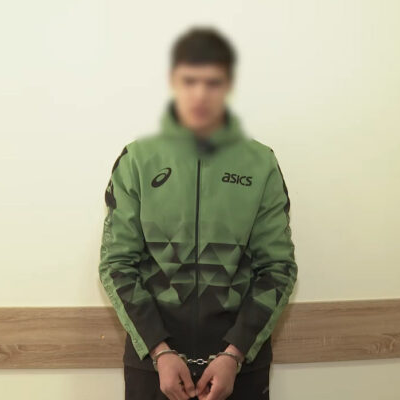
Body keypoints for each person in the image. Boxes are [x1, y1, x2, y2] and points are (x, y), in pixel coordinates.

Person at [98, 26, 298, 400]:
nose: (201, 94)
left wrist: (234, 354)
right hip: (152, 367)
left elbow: (277, 268)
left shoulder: (260, 163)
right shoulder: (137, 160)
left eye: (213, 82)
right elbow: (117, 265)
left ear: (228, 84)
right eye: (190, 81)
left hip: (240, 368)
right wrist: (159, 351)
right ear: (174, 81)